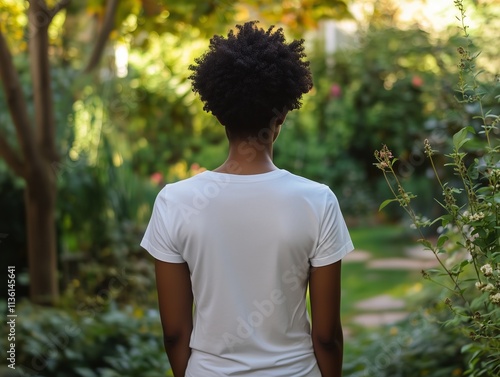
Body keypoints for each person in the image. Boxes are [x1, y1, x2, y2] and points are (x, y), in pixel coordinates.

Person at [140, 21, 354, 377]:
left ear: (219, 113)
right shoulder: (318, 202)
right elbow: (327, 335)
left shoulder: (174, 202)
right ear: (282, 114)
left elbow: (175, 334)